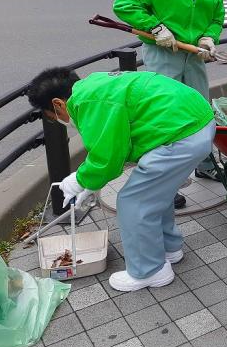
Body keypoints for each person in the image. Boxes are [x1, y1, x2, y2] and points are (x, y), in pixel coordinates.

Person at [27, 69, 215, 291]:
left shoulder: (88, 101)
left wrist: (80, 180)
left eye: (52, 116)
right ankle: (169, 249)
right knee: (156, 195)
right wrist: (89, 182)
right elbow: (116, 146)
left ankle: (150, 271)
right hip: (194, 124)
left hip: (181, 135)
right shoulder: (94, 85)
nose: (58, 120)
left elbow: (107, 157)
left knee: (133, 201)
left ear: (58, 104)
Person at [113, 0, 224, 209]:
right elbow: (124, 5)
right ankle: (165, 179)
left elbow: (216, 17)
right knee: (163, 116)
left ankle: (206, 164)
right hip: (163, 52)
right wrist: (155, 27)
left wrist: (209, 37)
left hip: (194, 54)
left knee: (200, 109)